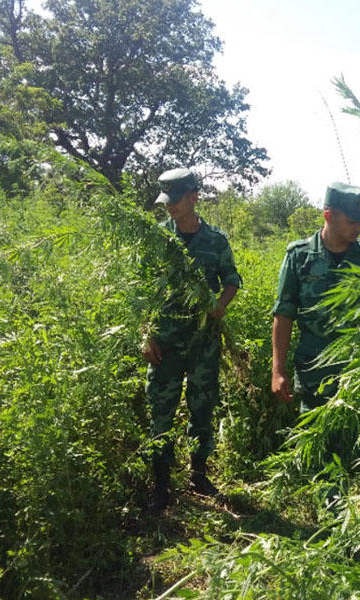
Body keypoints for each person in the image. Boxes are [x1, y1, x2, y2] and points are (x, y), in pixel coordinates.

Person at [142, 167, 242, 511]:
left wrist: (219, 307)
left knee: (202, 407)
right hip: (165, 343)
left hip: (203, 343)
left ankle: (199, 475)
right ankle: (161, 486)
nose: (168, 207)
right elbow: (142, 292)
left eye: (174, 200)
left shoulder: (216, 241)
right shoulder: (158, 239)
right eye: (165, 201)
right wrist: (146, 335)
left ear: (194, 197)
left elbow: (232, 279)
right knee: (161, 412)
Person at [271, 182, 360, 411]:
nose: (359, 227)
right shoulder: (300, 257)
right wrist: (278, 371)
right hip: (316, 376)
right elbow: (284, 314)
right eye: (352, 221)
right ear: (328, 215)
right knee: (317, 442)